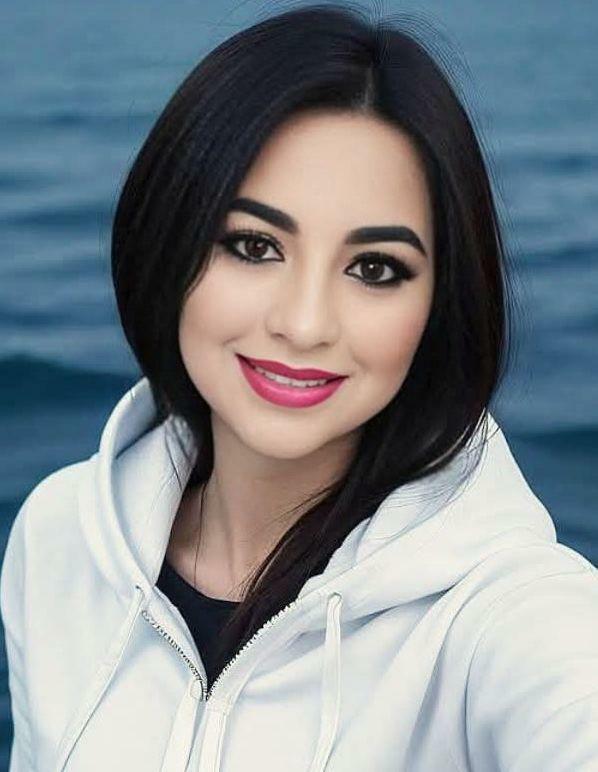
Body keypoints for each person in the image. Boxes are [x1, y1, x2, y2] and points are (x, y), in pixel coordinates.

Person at [2, 3, 598, 770]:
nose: (305, 323)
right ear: (169, 242)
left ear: (438, 303)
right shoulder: (57, 535)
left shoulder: (503, 612)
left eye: (374, 268)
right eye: (254, 246)